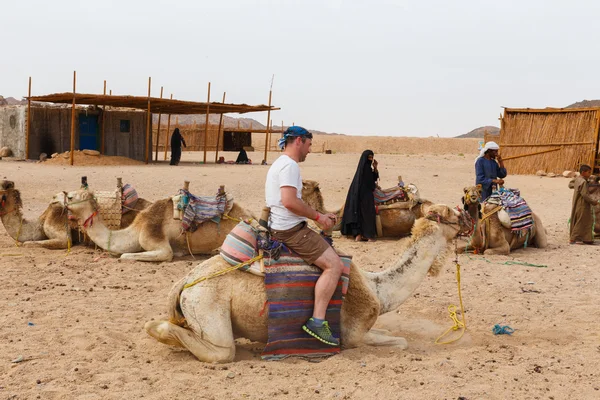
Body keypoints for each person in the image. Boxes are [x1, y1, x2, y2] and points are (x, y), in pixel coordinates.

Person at [265, 126, 344, 346]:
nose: (309, 150)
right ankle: (317, 321)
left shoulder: (279, 163)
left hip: (282, 225)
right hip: (290, 231)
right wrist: (318, 218)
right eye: (309, 145)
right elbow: (290, 201)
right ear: (299, 141)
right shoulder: (290, 166)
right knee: (334, 266)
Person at [341, 150, 379, 242]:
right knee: (368, 214)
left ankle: (358, 235)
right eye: (369, 157)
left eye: (371, 157)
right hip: (366, 195)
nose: (370, 159)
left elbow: (372, 179)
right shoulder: (367, 169)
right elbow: (371, 184)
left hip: (357, 195)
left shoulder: (360, 170)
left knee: (357, 213)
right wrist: (375, 186)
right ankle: (368, 236)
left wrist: (375, 168)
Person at [569, 164, 599, 244]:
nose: (590, 174)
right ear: (583, 172)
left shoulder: (578, 179)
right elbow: (585, 195)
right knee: (581, 220)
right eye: (588, 172)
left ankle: (587, 239)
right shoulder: (583, 182)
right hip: (583, 204)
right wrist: (594, 202)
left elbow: (571, 185)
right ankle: (573, 238)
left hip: (577, 202)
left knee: (587, 220)